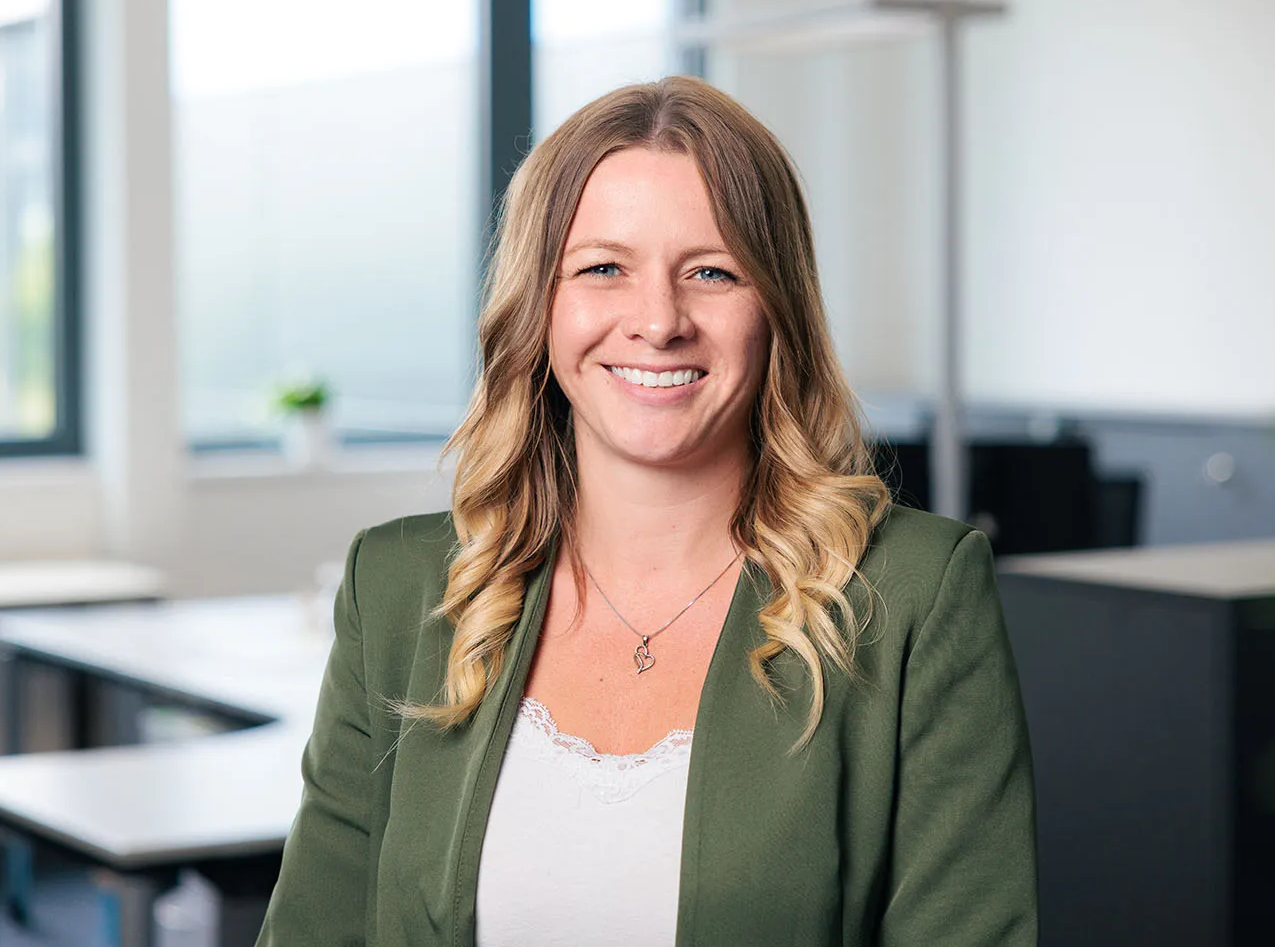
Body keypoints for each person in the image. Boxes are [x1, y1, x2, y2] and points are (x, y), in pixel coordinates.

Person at [257, 76, 1036, 946]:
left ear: (776, 307)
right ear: (539, 304)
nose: (659, 322)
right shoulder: (398, 588)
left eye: (712, 272)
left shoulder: (913, 595)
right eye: (603, 269)